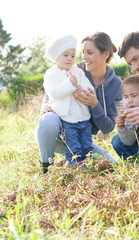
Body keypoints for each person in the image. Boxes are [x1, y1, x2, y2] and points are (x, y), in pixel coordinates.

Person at [35, 32, 123, 173]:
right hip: (59, 132)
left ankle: (78, 165)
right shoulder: (75, 69)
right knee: (48, 119)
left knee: (112, 165)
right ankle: (46, 167)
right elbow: (52, 90)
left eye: (89, 52)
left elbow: (108, 128)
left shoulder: (117, 85)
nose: (84, 57)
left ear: (105, 54)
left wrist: (95, 105)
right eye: (82, 52)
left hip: (83, 135)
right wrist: (46, 106)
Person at [43, 35, 94, 168]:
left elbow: (89, 87)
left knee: (87, 145)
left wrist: (80, 89)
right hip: (67, 119)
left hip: (84, 117)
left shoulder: (77, 71)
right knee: (74, 146)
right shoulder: (51, 74)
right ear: (56, 56)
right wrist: (69, 85)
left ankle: (88, 167)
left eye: (72, 55)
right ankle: (74, 168)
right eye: (66, 55)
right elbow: (53, 93)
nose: (70, 59)